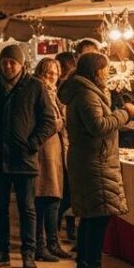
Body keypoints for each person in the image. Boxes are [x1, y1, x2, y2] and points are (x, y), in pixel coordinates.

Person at [0, 43, 57, 268]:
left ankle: (28, 254)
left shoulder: (34, 87)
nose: (8, 66)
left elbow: (48, 120)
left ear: (21, 64)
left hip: (24, 158)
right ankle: (1, 252)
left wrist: (32, 143)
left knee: (27, 208)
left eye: (13, 62)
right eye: (5, 62)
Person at [59, 51, 134, 268]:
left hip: (91, 160)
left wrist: (119, 124)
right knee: (97, 219)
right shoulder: (86, 95)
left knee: (91, 218)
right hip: (94, 163)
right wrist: (125, 113)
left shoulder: (85, 92)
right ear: (96, 72)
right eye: (105, 70)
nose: (107, 74)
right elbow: (97, 126)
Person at [32, 58, 71, 262]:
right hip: (45, 151)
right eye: (48, 73)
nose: (52, 77)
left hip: (55, 151)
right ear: (41, 73)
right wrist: (60, 121)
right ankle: (42, 244)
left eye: (55, 73)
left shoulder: (54, 94)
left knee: (54, 198)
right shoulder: (40, 92)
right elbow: (47, 122)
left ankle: (53, 242)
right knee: (44, 197)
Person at [55, 51, 78, 241]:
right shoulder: (61, 89)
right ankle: (57, 227)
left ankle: (66, 227)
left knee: (69, 191)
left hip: (69, 144)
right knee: (66, 191)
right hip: (64, 144)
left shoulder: (68, 87)